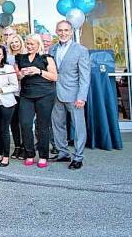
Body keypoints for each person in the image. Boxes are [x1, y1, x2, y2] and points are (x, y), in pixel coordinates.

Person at [50, 21, 91, 170]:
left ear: (71, 31)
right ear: (56, 31)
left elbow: (85, 76)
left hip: (74, 95)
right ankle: (63, 153)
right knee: (57, 124)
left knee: (78, 126)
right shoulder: (52, 49)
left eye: (66, 30)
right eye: (60, 30)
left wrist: (82, 97)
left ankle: (78, 157)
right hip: (55, 93)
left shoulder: (81, 50)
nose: (63, 33)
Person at [14, 34, 58, 168]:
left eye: (32, 44)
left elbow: (54, 77)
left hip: (45, 94)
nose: (29, 46)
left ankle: (43, 156)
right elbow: (17, 77)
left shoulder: (47, 58)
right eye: (27, 44)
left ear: (38, 44)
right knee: (25, 124)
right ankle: (30, 154)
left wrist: (38, 71)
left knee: (42, 126)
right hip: (27, 95)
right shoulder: (20, 58)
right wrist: (21, 74)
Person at [6, 33, 26, 159]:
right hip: (12, 93)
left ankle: (25, 146)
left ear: (20, 42)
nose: (14, 44)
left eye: (16, 41)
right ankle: (17, 146)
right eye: (11, 42)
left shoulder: (26, 55)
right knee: (13, 121)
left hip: (24, 91)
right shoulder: (7, 58)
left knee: (24, 121)